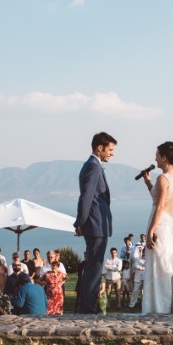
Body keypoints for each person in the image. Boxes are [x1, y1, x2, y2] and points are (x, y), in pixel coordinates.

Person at [140, 141, 173, 314]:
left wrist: (150, 231)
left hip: (160, 223)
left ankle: (159, 307)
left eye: (157, 155)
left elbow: (159, 206)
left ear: (164, 157)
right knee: (167, 262)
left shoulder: (162, 178)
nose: (155, 158)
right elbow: (160, 199)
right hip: (170, 223)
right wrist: (148, 183)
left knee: (159, 265)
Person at [74, 131, 117, 314]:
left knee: (93, 266)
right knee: (94, 267)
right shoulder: (93, 167)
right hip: (96, 224)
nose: (112, 153)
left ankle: (88, 306)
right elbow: (87, 196)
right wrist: (80, 222)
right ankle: (88, 308)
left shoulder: (92, 165)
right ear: (100, 148)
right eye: (110, 149)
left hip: (95, 224)